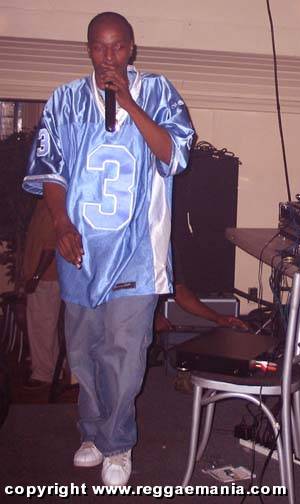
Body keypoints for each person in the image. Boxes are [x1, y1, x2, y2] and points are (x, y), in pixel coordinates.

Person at [22, 12, 195, 486]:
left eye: (118, 46)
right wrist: (61, 224)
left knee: (124, 349)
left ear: (132, 49)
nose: (108, 56)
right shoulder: (64, 100)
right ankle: (93, 432)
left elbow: (175, 155)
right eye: (99, 47)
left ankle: (118, 443)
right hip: (80, 248)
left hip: (137, 249)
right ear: (88, 50)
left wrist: (129, 103)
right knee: (84, 350)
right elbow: (51, 171)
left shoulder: (158, 91)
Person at [21, 199, 61, 389]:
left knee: (41, 327)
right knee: (45, 327)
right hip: (43, 279)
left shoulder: (51, 206)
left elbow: (50, 248)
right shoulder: (42, 204)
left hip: (45, 279)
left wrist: (36, 276)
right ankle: (52, 369)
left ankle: (43, 374)